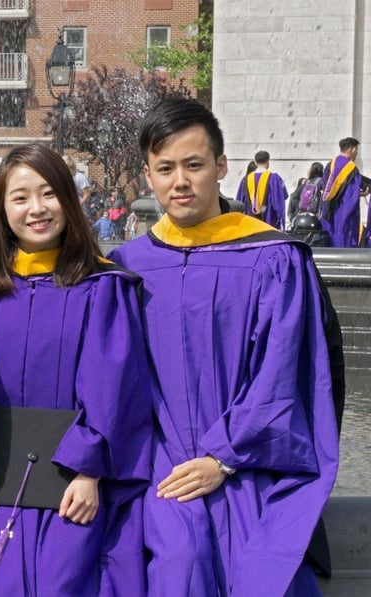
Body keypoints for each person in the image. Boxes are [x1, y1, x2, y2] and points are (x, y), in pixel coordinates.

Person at [109, 98, 341, 595]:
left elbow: (280, 376)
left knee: (256, 562)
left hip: (250, 460)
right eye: (165, 168)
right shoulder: (126, 267)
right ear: (147, 176)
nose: (180, 182)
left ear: (221, 167)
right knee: (176, 561)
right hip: (157, 463)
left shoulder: (272, 258)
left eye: (194, 165)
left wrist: (222, 459)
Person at [0, 144, 152, 596]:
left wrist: (90, 472)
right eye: (20, 197)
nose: (36, 209)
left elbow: (112, 387)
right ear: (0, 209)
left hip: (73, 486)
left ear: (69, 201)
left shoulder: (103, 288)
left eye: (49, 193)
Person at [322, 137, 363, 247]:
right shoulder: (351, 168)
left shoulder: (330, 165)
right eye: (356, 150)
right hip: (344, 215)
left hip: (329, 212)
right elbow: (351, 197)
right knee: (343, 243)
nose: (356, 154)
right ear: (351, 149)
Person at [235, 150, 288, 229]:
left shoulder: (245, 180)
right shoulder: (274, 178)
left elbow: (239, 201)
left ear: (255, 162)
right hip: (269, 222)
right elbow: (282, 197)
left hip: (250, 222)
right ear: (268, 162)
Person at [287, 161, 325, 229]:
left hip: (301, 214)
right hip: (315, 216)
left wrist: (293, 214)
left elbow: (293, 197)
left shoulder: (306, 183)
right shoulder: (322, 183)